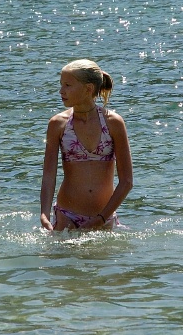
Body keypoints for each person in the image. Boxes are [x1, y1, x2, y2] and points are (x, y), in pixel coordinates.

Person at [40, 60, 133, 230]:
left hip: (104, 217)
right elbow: (48, 176)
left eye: (68, 85)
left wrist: (101, 218)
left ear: (88, 89)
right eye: (61, 84)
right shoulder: (58, 124)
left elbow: (126, 181)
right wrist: (44, 214)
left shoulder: (113, 123)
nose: (61, 91)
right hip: (67, 216)